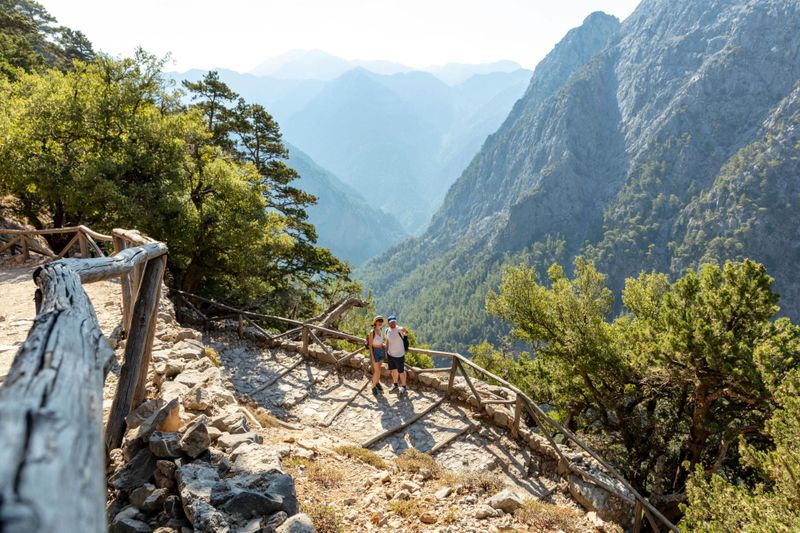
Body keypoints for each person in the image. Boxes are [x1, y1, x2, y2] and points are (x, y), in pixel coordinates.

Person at [385, 315, 408, 394]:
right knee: (393, 371)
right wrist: (386, 350)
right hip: (390, 354)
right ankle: (395, 385)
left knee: (401, 371)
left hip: (399, 355)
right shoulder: (387, 330)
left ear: (396, 322)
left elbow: (405, 331)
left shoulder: (398, 329)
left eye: (394, 322)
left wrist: (403, 330)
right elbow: (387, 341)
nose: (393, 323)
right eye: (391, 322)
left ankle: (404, 386)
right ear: (388, 323)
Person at [368, 315, 386, 394]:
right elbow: (370, 346)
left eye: (381, 321)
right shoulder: (372, 332)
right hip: (375, 351)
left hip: (381, 350)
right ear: (375, 322)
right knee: (377, 370)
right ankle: (373, 386)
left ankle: (377, 382)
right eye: (378, 321)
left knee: (379, 369)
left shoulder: (381, 331)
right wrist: (372, 356)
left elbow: (381, 341)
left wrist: (383, 344)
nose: (380, 323)